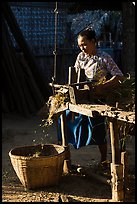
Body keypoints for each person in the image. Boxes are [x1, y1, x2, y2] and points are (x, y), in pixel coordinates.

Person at [58, 28, 124, 168]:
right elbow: (75, 75)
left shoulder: (104, 57)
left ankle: (104, 160)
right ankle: (66, 159)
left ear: (93, 41)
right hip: (81, 96)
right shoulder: (81, 57)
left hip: (97, 98)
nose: (82, 48)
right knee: (64, 119)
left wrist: (104, 86)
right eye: (80, 45)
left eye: (84, 44)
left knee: (98, 129)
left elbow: (119, 76)